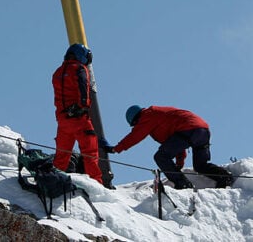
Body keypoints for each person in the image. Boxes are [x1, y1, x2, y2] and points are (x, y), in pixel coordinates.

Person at [100, 105, 234, 189]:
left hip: (188, 130)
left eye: (136, 125)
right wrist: (179, 163)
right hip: (203, 129)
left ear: (136, 120)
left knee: (161, 156)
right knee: (200, 165)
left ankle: (183, 185)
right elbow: (177, 143)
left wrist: (115, 149)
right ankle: (224, 177)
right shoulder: (160, 116)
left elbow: (135, 136)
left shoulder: (148, 116)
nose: (137, 127)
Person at [52, 43, 103, 185]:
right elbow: (82, 88)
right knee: (90, 153)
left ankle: (53, 181)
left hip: (62, 120)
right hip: (79, 118)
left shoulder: (57, 72)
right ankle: (97, 185)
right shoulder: (80, 69)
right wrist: (83, 105)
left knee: (61, 156)